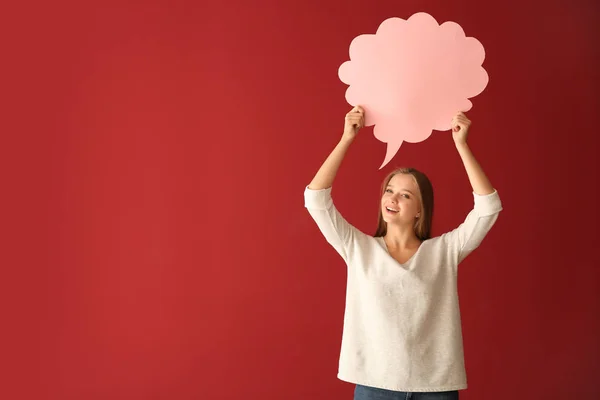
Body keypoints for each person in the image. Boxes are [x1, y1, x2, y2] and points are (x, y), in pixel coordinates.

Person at [303, 106, 503, 400]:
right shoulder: (359, 248)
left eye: (405, 195)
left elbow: (488, 208)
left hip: (436, 388)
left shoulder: (444, 251)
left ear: (420, 210)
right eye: (389, 190)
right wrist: (346, 139)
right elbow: (316, 200)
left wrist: (462, 145)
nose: (392, 198)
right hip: (374, 386)